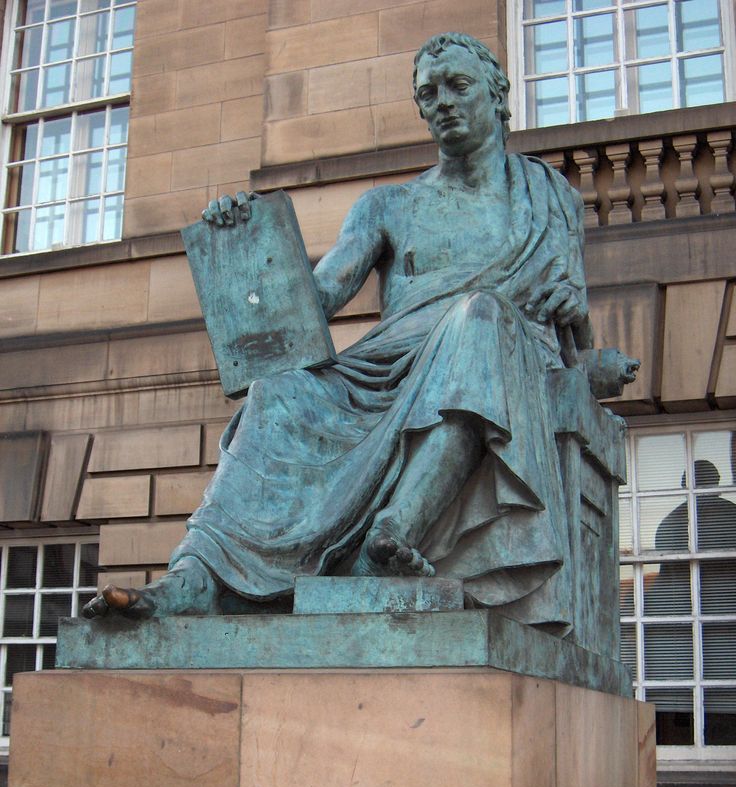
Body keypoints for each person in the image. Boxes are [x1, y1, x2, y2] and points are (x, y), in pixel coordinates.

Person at [84, 32, 594, 633]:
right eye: (428, 94)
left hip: (493, 352)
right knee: (278, 395)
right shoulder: (388, 206)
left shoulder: (547, 197)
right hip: (386, 364)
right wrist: (245, 248)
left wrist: (580, 325)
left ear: (499, 94)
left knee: (479, 317)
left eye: (459, 86)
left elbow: (573, 330)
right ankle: (196, 576)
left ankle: (396, 530)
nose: (444, 103)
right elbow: (318, 298)